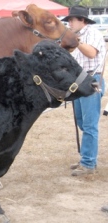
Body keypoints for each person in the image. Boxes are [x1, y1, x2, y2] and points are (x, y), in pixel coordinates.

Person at [61, 5, 106, 176]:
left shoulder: (92, 33)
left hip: (92, 82)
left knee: (89, 125)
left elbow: (92, 54)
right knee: (82, 122)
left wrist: (76, 42)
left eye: (71, 20)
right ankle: (86, 158)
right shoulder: (77, 36)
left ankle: (88, 163)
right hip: (80, 83)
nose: (69, 23)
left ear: (82, 20)